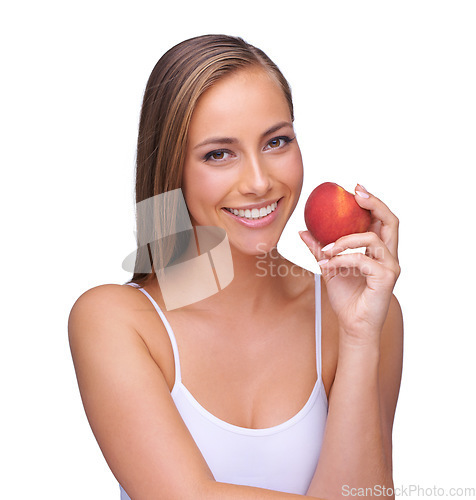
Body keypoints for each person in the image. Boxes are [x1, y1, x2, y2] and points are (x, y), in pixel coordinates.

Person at [68, 34, 403, 499]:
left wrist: (362, 337)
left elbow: (365, 493)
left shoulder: (361, 316)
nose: (259, 182)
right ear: (173, 170)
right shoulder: (116, 320)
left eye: (277, 142)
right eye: (218, 154)